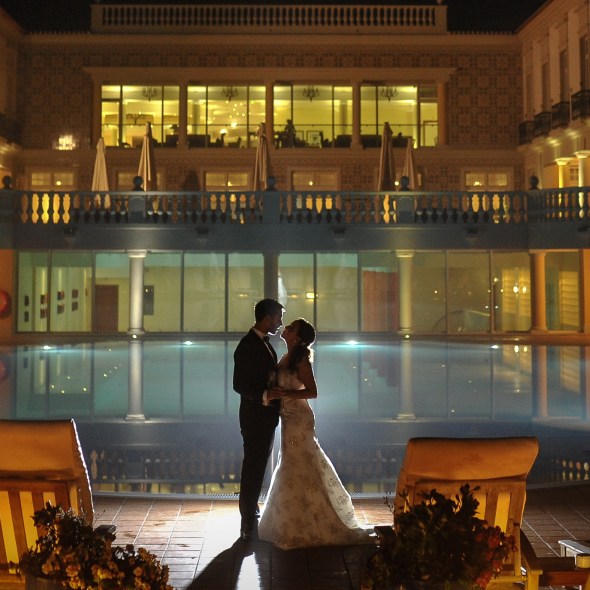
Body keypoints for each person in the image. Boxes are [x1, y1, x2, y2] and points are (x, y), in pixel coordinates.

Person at [258, 318, 372, 549]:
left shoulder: (300, 361)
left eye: (291, 328)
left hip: (299, 419)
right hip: (287, 417)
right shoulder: (286, 358)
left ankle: (307, 521)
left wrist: (287, 394)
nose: (286, 328)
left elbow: (312, 392)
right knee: (291, 462)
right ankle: (295, 518)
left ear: (297, 338)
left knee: (297, 462)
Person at [233, 298, 285, 541]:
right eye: (278, 318)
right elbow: (239, 384)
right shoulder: (247, 346)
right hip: (255, 417)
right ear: (267, 318)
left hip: (265, 417)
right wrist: (265, 395)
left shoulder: (264, 344)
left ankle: (250, 512)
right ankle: (247, 521)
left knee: (256, 466)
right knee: (253, 468)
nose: (280, 323)